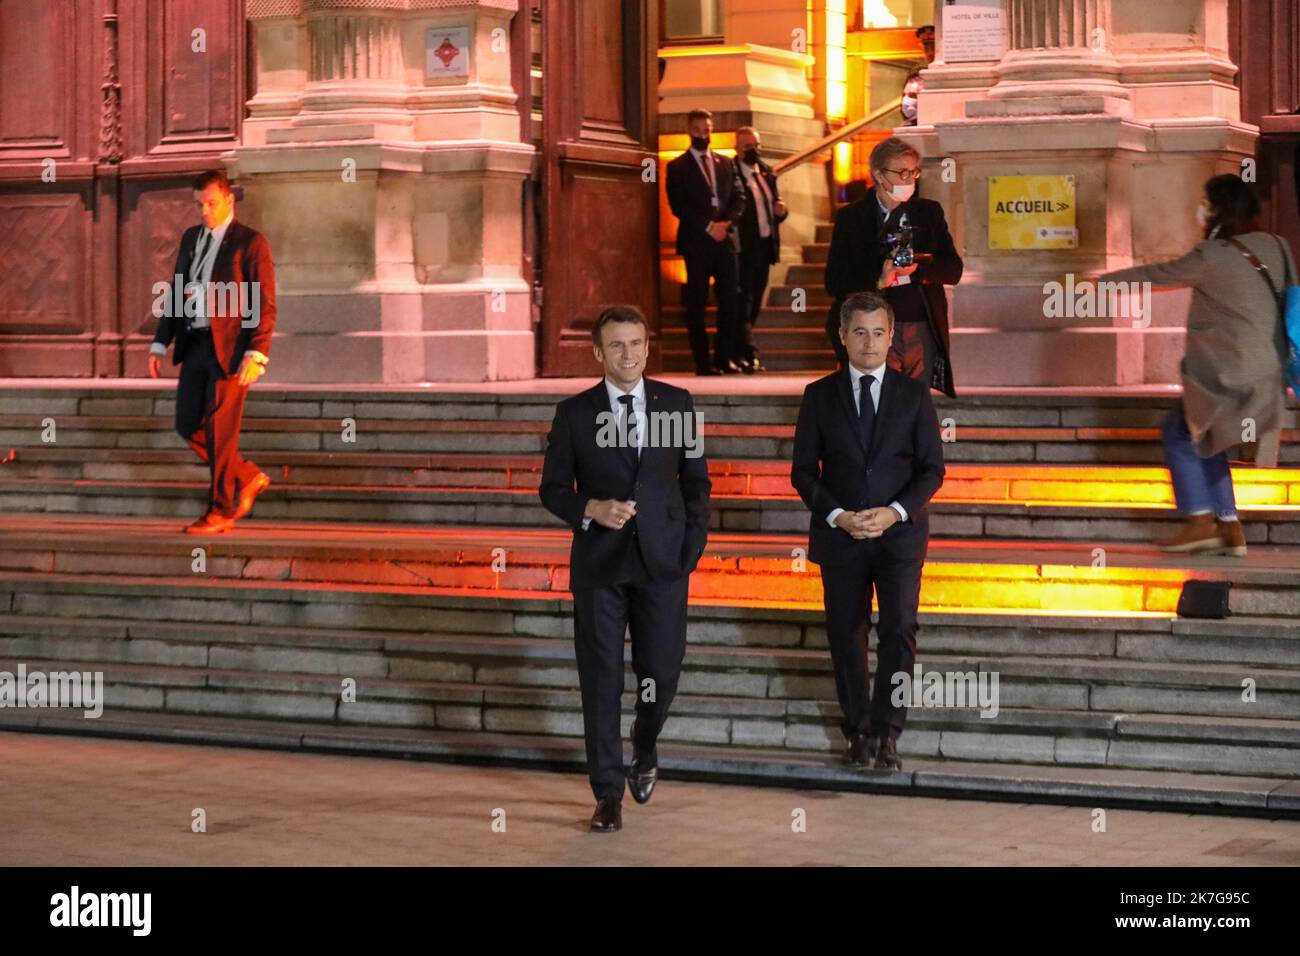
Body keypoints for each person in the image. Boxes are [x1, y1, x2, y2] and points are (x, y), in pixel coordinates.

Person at [539, 306, 711, 832]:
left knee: (660, 671)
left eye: (636, 343)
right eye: (617, 346)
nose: (629, 354)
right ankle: (607, 794)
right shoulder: (573, 413)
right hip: (600, 567)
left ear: (646, 346)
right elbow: (551, 489)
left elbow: (697, 484)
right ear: (598, 353)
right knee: (601, 680)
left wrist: (690, 551)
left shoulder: (678, 404)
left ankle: (645, 743)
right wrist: (588, 509)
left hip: (663, 564)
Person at [1100, 174, 1296, 556]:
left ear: (1216, 210)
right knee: (1208, 438)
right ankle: (1229, 527)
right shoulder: (1278, 245)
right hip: (1268, 372)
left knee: (1181, 433)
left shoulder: (1211, 256)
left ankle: (1199, 520)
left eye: (1205, 203)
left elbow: (1155, 275)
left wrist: (1100, 282)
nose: (1199, 210)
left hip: (1227, 373)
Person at [791, 291, 945, 771]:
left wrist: (894, 511)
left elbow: (931, 471)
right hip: (840, 537)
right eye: (860, 332)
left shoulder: (914, 394)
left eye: (879, 332)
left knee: (899, 631)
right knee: (846, 633)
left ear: (892, 337)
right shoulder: (818, 396)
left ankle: (888, 734)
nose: (870, 342)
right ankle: (857, 729)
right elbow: (803, 472)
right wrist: (838, 515)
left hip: (899, 537)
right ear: (843, 337)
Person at [147, 170, 276, 534]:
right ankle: (247, 475)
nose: (205, 211)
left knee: (221, 431)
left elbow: (264, 303)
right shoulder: (191, 239)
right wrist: (160, 342)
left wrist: (257, 352)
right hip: (195, 345)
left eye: (212, 204)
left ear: (229, 201)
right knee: (187, 424)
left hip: (231, 352)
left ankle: (219, 511)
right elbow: (175, 291)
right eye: (199, 205)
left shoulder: (250, 244)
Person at [824, 137, 961, 397]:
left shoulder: (928, 213)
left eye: (914, 172)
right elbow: (835, 282)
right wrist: (879, 281)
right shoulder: (852, 218)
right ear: (879, 175)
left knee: (915, 407)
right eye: (902, 172)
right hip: (873, 327)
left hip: (920, 326)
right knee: (875, 405)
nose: (910, 179)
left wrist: (918, 270)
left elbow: (953, 269)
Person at [665, 108, 747, 374]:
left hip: (725, 241)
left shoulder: (727, 163)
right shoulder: (677, 166)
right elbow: (678, 205)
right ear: (689, 130)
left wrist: (727, 224)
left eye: (708, 130)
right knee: (697, 301)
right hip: (697, 242)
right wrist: (709, 226)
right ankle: (702, 361)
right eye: (699, 130)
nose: (704, 134)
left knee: (730, 299)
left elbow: (739, 197)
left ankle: (724, 357)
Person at [734, 125, 789, 374]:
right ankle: (747, 352)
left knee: (756, 300)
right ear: (737, 148)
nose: (753, 151)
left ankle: (743, 349)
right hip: (743, 248)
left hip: (766, 247)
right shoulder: (732, 172)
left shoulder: (766, 172)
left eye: (756, 146)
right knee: (743, 301)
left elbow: (774, 207)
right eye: (748, 147)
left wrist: (781, 211)